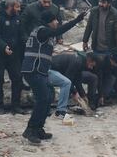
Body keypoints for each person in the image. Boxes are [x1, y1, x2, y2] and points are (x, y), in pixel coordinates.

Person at [21, 10, 86, 144]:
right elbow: (57, 31)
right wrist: (77, 20)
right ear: (48, 21)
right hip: (33, 70)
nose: (57, 22)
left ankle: (39, 128)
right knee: (43, 98)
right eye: (55, 20)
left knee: (49, 96)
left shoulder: (47, 35)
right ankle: (30, 129)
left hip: (41, 71)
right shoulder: (42, 31)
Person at [0, 0, 25, 114]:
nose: (19, 9)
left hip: (13, 54)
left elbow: (20, 36)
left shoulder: (17, 18)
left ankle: (16, 106)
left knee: (17, 78)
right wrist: (4, 46)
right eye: (17, 7)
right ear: (10, 6)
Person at [50, 53, 98, 117]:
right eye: (91, 65)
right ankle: (61, 111)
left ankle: (63, 107)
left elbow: (77, 81)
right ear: (88, 60)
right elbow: (68, 78)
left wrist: (83, 95)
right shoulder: (77, 62)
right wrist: (75, 93)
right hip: (48, 70)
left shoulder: (81, 62)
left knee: (68, 84)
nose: (91, 68)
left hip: (55, 71)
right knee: (66, 83)